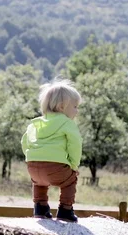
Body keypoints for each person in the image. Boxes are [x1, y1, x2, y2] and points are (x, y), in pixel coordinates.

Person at [21, 79, 82, 222]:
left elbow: (24, 141)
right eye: (75, 106)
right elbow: (75, 143)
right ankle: (65, 210)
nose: (77, 111)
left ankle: (40, 208)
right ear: (62, 107)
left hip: (34, 167)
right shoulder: (67, 123)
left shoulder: (36, 123)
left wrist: (31, 158)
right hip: (56, 168)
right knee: (70, 180)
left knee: (39, 183)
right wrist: (73, 164)